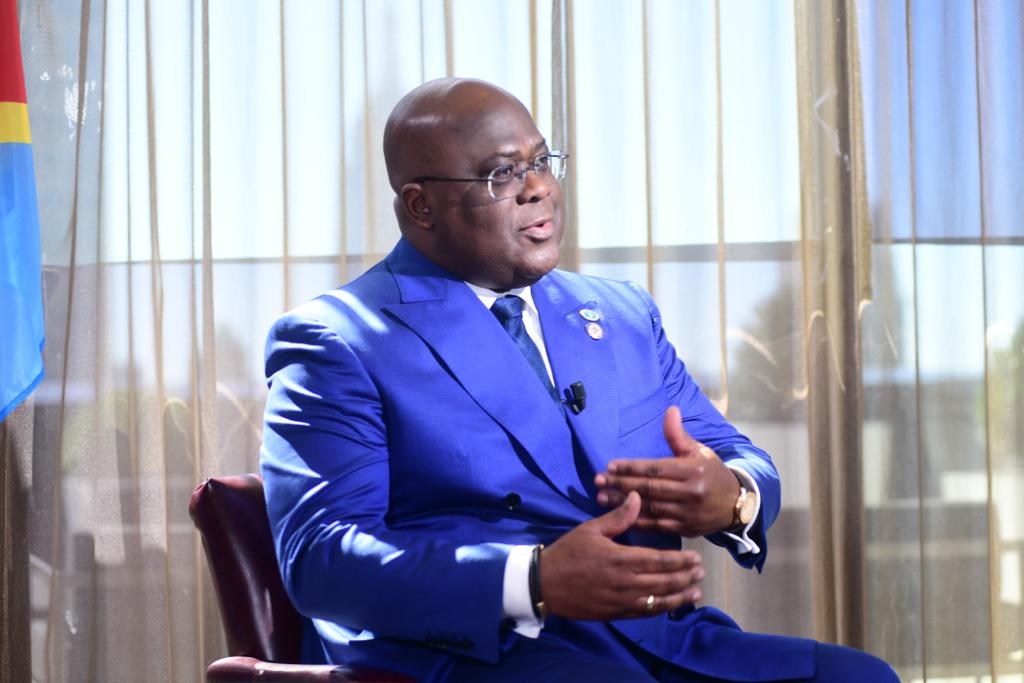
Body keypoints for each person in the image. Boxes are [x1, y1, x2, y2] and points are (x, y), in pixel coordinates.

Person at [260, 77, 898, 682]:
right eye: (502, 173)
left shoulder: (622, 315)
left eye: (541, 161)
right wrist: (532, 581)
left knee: (863, 676)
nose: (538, 188)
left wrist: (732, 496)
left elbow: (733, 453)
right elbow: (322, 558)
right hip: (480, 656)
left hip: (655, 640)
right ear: (421, 206)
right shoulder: (338, 339)